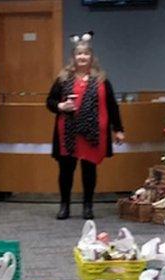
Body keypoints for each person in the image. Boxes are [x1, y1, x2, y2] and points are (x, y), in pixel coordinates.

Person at [45, 41, 124, 220]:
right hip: (68, 133)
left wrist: (118, 129)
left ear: (91, 57)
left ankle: (87, 206)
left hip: (92, 133)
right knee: (66, 171)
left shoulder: (102, 81)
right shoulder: (63, 79)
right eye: (79, 54)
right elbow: (49, 101)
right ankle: (64, 205)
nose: (82, 57)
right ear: (73, 57)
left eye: (86, 53)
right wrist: (61, 105)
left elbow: (112, 106)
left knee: (89, 171)